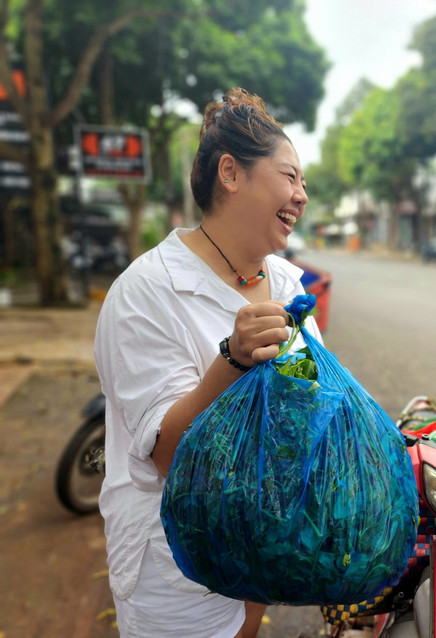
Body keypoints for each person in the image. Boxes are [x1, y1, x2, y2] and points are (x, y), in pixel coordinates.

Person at [94, 87, 321, 637]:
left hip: (262, 539)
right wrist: (232, 361)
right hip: (177, 564)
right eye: (290, 177)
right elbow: (173, 454)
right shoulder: (146, 293)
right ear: (231, 172)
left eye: (305, 184)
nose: (302, 196)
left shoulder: (288, 282)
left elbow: (309, 399)